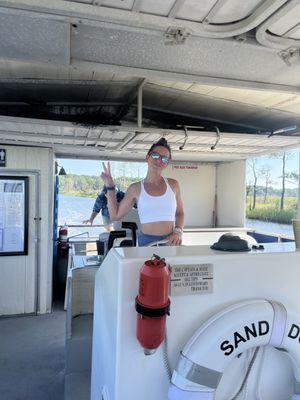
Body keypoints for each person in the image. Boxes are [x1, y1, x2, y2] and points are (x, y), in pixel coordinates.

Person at [101, 138, 184, 246]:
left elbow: (180, 213)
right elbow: (115, 215)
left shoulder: (174, 185)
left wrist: (178, 232)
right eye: (155, 156)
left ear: (167, 162)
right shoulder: (135, 188)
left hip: (171, 241)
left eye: (164, 159)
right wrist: (110, 187)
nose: (159, 160)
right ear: (147, 157)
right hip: (146, 243)